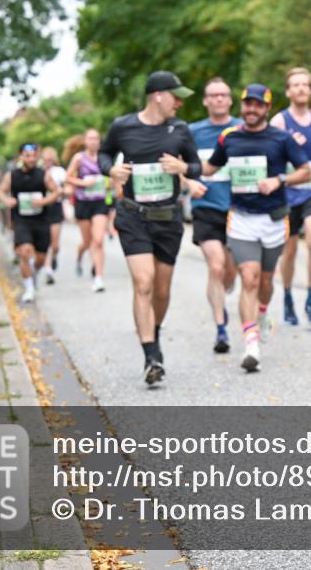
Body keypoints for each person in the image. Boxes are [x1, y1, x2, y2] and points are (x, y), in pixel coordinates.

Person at [99, 70, 201, 387]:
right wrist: (111, 169)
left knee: (161, 290)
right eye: (176, 96)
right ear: (158, 96)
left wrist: (183, 168)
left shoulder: (180, 130)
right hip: (134, 216)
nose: (180, 103)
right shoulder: (123, 126)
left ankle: (152, 332)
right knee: (143, 283)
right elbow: (104, 154)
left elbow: (197, 166)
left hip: (168, 219)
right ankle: (151, 356)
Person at [200, 83, 311, 373]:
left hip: (274, 221)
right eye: (247, 103)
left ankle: (263, 313)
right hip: (241, 219)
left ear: (267, 108)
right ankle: (251, 345)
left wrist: (279, 181)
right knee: (248, 279)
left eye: (258, 104)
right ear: (242, 106)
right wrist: (181, 168)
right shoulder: (229, 138)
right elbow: (209, 168)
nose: (252, 109)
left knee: (264, 283)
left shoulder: (281, 138)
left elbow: (305, 171)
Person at [270, 67, 311, 326]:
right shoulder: (279, 121)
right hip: (288, 192)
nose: (301, 89)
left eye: (305, 85)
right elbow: (272, 157)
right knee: (288, 252)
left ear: (310, 90)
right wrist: (288, 144)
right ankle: (287, 297)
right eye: (295, 85)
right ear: (288, 91)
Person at [187, 77, 242, 353]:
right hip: (206, 208)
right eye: (213, 95)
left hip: (239, 209)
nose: (219, 99)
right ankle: (221, 329)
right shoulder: (192, 132)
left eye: (224, 95)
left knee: (230, 273)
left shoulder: (243, 130)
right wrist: (189, 183)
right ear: (206, 101)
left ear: (230, 100)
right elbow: (177, 166)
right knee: (216, 266)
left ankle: (223, 298)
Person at [0, 144, 61, 303]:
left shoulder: (43, 175)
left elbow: (57, 191)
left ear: (37, 157)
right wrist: (7, 200)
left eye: (33, 155)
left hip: (41, 220)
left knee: (40, 258)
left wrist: (43, 201)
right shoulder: (12, 176)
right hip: (22, 220)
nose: (30, 159)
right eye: (27, 155)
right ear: (21, 157)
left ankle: (35, 273)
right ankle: (29, 288)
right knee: (24, 252)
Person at [65, 129, 110, 292]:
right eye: (90, 139)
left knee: (98, 240)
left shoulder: (104, 158)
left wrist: (109, 183)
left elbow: (110, 176)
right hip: (83, 203)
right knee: (87, 242)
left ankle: (98, 278)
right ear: (85, 141)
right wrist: (83, 183)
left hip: (99, 202)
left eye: (96, 139)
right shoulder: (79, 158)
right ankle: (80, 256)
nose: (93, 142)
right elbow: (67, 177)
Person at [39, 146, 67, 284]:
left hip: (56, 207)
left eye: (50, 159)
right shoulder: (39, 172)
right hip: (43, 208)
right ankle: (48, 270)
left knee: (55, 244)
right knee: (47, 241)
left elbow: (67, 188)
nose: (47, 162)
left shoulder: (59, 172)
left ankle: (54, 256)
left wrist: (60, 191)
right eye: (45, 159)